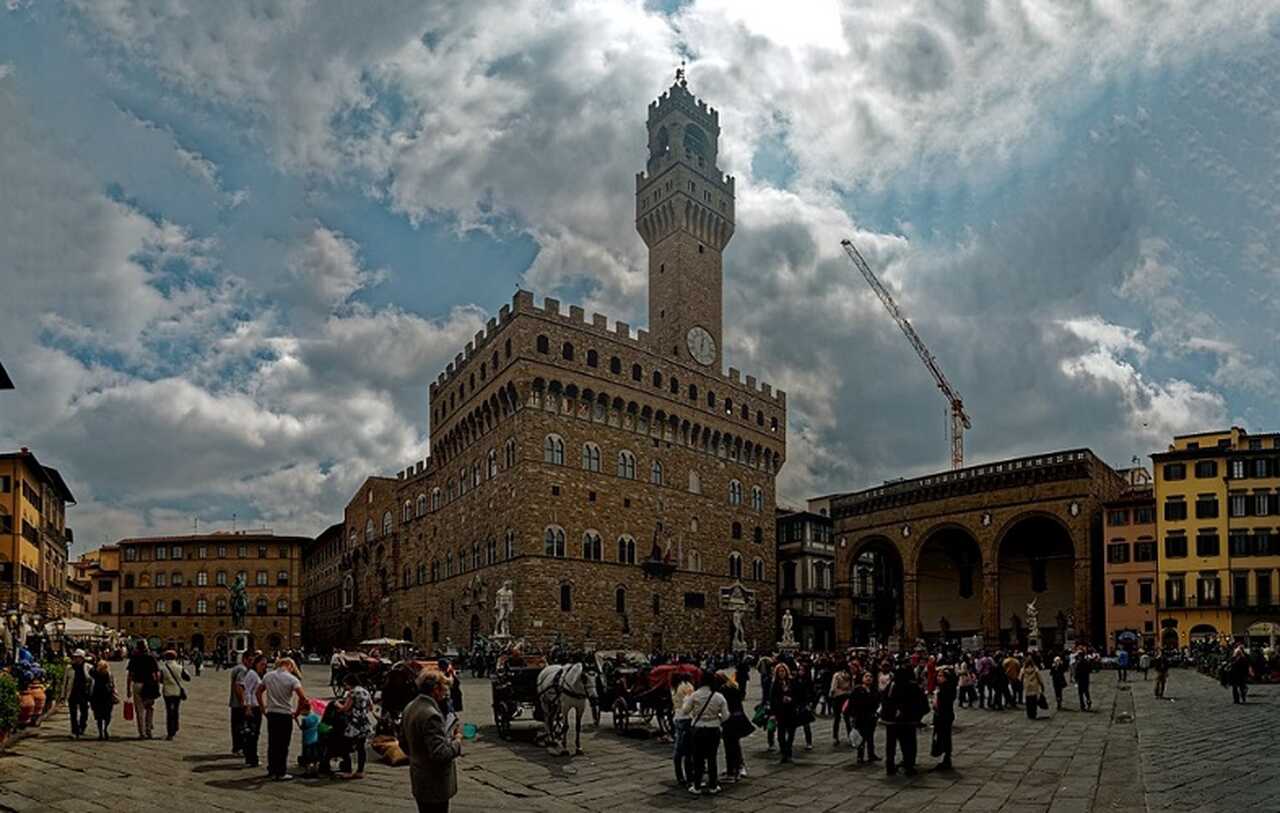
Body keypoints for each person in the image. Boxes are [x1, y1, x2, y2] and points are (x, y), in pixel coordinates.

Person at [399, 671, 463, 813]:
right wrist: (457, 741)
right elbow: (440, 754)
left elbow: (402, 742)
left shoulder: (410, 707)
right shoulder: (431, 714)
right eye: (444, 690)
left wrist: (417, 755)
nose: (445, 694)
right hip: (434, 781)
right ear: (435, 689)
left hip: (419, 776)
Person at [257, 657, 308, 780]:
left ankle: (272, 769)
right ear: (290, 666)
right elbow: (303, 698)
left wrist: (263, 708)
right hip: (285, 714)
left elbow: (258, 692)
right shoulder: (292, 679)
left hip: (272, 713)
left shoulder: (268, 676)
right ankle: (281, 771)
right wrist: (297, 712)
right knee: (283, 744)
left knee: (273, 743)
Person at [682, 669, 728, 795]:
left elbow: (685, 711)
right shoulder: (719, 697)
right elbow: (725, 716)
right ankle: (713, 786)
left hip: (698, 729)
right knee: (712, 758)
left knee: (698, 758)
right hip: (713, 729)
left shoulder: (695, 695)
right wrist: (715, 717)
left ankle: (697, 786)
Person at [879, 662, 927, 776]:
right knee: (908, 744)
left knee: (891, 745)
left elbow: (884, 699)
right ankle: (909, 766)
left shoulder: (892, 685)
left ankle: (890, 766)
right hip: (908, 720)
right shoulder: (913, 686)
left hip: (892, 720)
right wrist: (917, 716)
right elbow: (922, 703)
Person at [336, 673, 376, 779]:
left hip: (353, 722)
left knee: (345, 746)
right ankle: (360, 771)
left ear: (349, 683)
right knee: (361, 747)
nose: (345, 687)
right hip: (363, 722)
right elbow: (371, 707)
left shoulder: (352, 693)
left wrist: (337, 704)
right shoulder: (365, 691)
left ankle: (348, 770)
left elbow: (345, 708)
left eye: (345, 684)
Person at [718, 671, 752, 782]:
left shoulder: (723, 691)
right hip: (738, 718)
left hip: (729, 720)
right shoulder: (734, 688)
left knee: (730, 746)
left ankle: (732, 772)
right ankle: (737, 768)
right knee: (735, 745)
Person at [125, 641, 161, 739]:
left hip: (137, 684)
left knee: (139, 710)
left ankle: (142, 733)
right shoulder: (151, 657)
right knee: (149, 708)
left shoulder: (134, 658)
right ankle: (148, 730)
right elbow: (157, 674)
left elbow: (130, 675)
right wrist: (157, 685)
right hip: (149, 685)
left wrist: (128, 689)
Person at [240, 654, 268, 768]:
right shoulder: (252, 674)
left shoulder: (257, 674)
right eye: (262, 664)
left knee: (253, 733)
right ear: (256, 664)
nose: (264, 667)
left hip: (256, 707)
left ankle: (250, 757)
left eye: (265, 665)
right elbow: (247, 691)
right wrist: (248, 707)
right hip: (252, 707)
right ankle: (252, 758)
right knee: (253, 733)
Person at [768, 663, 797, 763]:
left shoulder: (791, 682)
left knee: (791, 733)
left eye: (783, 671)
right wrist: (781, 700)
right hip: (780, 711)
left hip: (791, 710)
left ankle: (789, 751)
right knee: (781, 734)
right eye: (779, 671)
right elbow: (772, 698)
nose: (781, 673)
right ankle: (784, 752)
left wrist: (791, 699)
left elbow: (797, 694)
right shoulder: (775, 684)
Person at [849, 672, 880, 764]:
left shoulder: (874, 690)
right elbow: (852, 703)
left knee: (870, 737)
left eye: (870, 676)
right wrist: (853, 715)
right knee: (861, 736)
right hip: (860, 716)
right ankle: (860, 756)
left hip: (871, 716)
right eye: (866, 676)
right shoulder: (857, 690)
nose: (869, 678)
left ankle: (871, 754)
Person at [158, 649, 190, 740]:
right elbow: (187, 678)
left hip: (167, 692)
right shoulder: (180, 667)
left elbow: (160, 680)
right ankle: (175, 727)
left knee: (169, 711)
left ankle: (170, 732)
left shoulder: (163, 668)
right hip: (177, 692)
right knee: (176, 710)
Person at [670, 677, 695, 786]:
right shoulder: (687, 686)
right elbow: (689, 704)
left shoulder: (674, 688)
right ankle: (689, 776)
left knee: (678, 750)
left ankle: (679, 775)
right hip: (686, 718)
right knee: (688, 751)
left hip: (677, 717)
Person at [931, 666, 956, 771]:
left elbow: (938, 704)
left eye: (941, 676)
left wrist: (936, 697)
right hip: (944, 715)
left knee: (944, 737)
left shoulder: (945, 689)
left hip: (943, 715)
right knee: (943, 737)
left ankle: (946, 759)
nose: (938, 677)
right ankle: (945, 758)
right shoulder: (944, 687)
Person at [228, 651, 252, 755]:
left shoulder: (237, 668)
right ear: (244, 659)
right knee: (241, 726)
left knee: (236, 726)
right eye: (250, 660)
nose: (252, 662)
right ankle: (240, 748)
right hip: (239, 704)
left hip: (234, 703)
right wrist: (244, 703)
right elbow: (239, 686)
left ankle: (236, 748)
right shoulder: (243, 669)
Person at [67, 649, 93, 738]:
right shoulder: (69, 668)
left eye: (77, 657)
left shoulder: (88, 667)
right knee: (73, 713)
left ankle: (82, 726)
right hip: (73, 692)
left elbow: (92, 680)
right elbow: (65, 682)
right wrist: (63, 695)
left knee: (84, 711)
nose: (76, 659)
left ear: (82, 658)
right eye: (75, 657)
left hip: (84, 693)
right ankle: (74, 729)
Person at [90, 659, 118, 740]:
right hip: (106, 696)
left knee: (99, 716)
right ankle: (105, 729)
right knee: (107, 715)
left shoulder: (96, 674)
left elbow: (91, 671)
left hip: (98, 696)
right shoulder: (108, 674)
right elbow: (112, 685)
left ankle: (101, 732)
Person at [828, 663, 853, 745]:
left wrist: (831, 695)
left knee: (837, 718)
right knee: (847, 718)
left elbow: (833, 687)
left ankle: (835, 737)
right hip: (847, 696)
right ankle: (850, 737)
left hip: (838, 697)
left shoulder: (836, 675)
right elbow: (852, 686)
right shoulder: (850, 675)